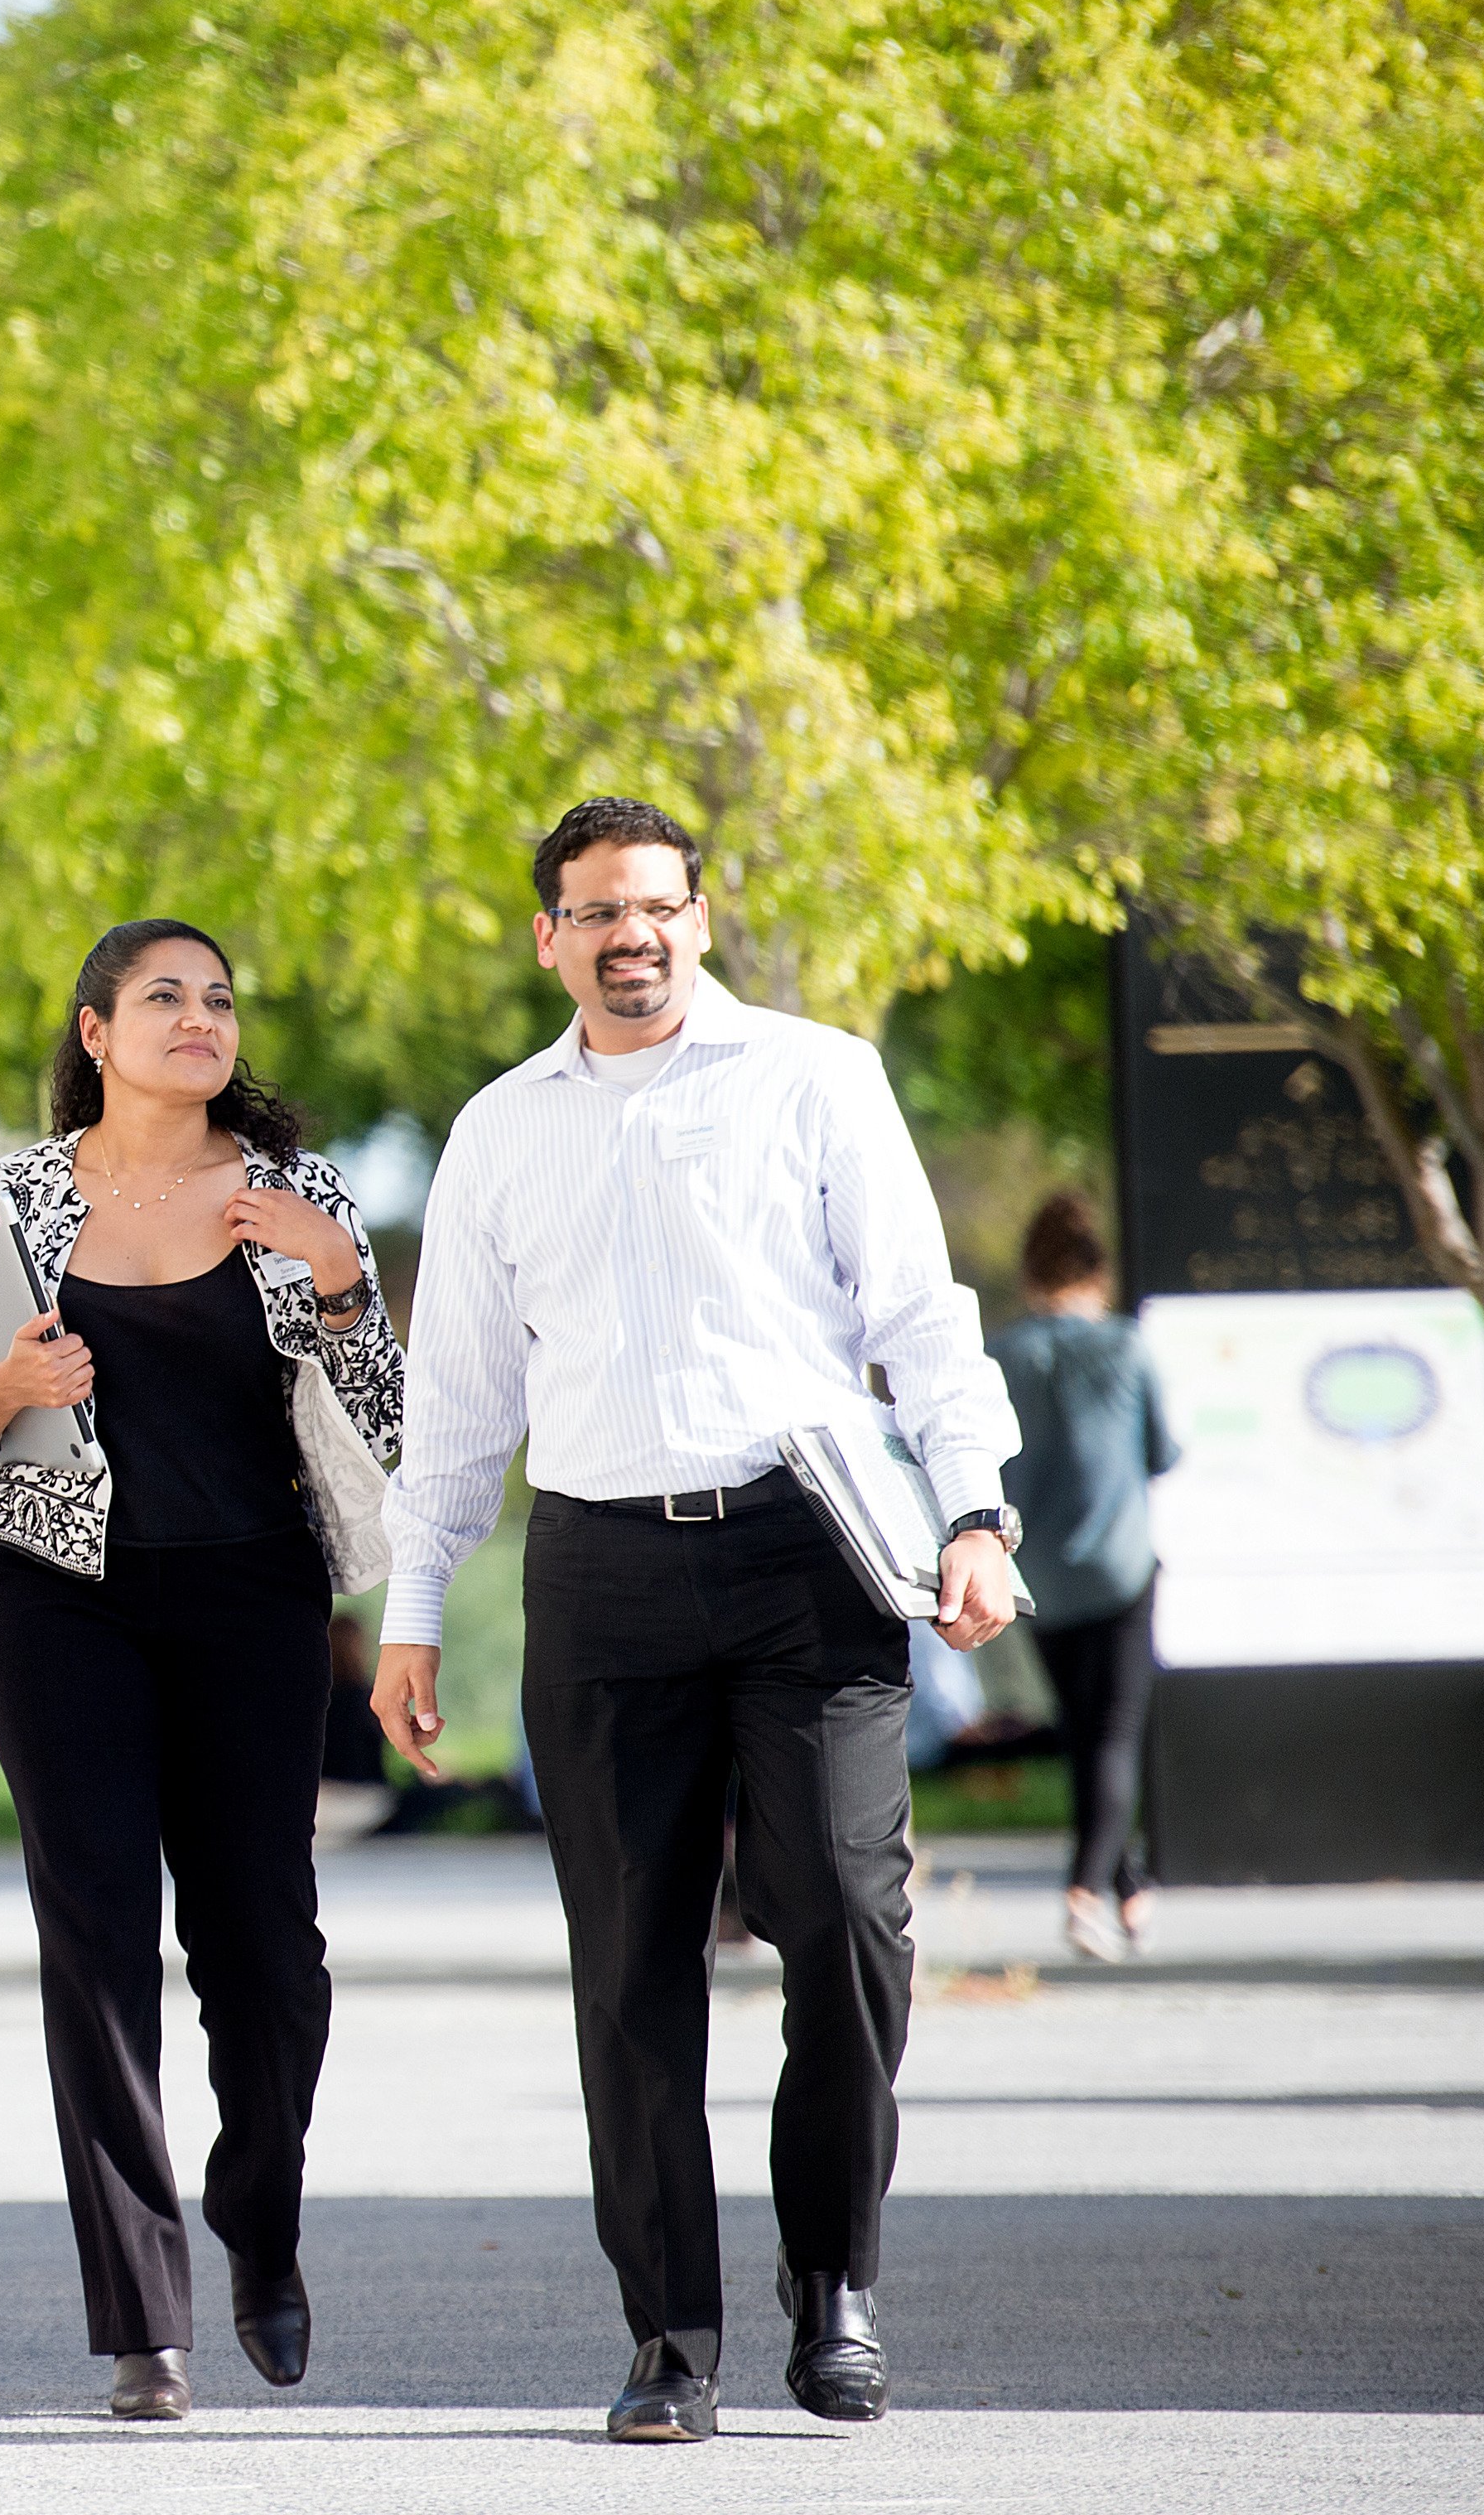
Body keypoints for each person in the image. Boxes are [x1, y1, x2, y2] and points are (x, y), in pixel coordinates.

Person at [371, 796, 1022, 2445]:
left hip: (807, 1554)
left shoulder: (812, 1077)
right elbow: (453, 1398)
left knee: (849, 1924)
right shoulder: (499, 1128)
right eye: (594, 911)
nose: (628, 934)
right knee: (630, 1965)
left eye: (654, 905)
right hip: (597, 1570)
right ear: (548, 938)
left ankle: (836, 2280)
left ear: (700, 916)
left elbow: (919, 1316)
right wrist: (414, 1608)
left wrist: (974, 1506)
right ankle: (668, 2338)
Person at [0, 919, 405, 2422]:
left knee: (265, 1950)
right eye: (164, 999)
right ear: (95, 1032)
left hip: (256, 1602)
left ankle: (260, 2221)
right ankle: (144, 2318)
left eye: (219, 1001)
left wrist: (335, 1287)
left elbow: (386, 1428)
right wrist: (7, 1385)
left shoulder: (300, 1198)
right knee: (97, 1942)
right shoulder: (8, 1201)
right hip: (58, 1602)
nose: (199, 1020)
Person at [987, 1192, 1182, 1962]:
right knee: (1116, 1735)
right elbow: (1164, 1452)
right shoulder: (1126, 1348)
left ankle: (1129, 1891)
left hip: (1040, 1574)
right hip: (1122, 1568)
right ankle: (1083, 1892)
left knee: (1084, 1732)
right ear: (1098, 1271)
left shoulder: (1005, 1355)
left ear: (1031, 1274)